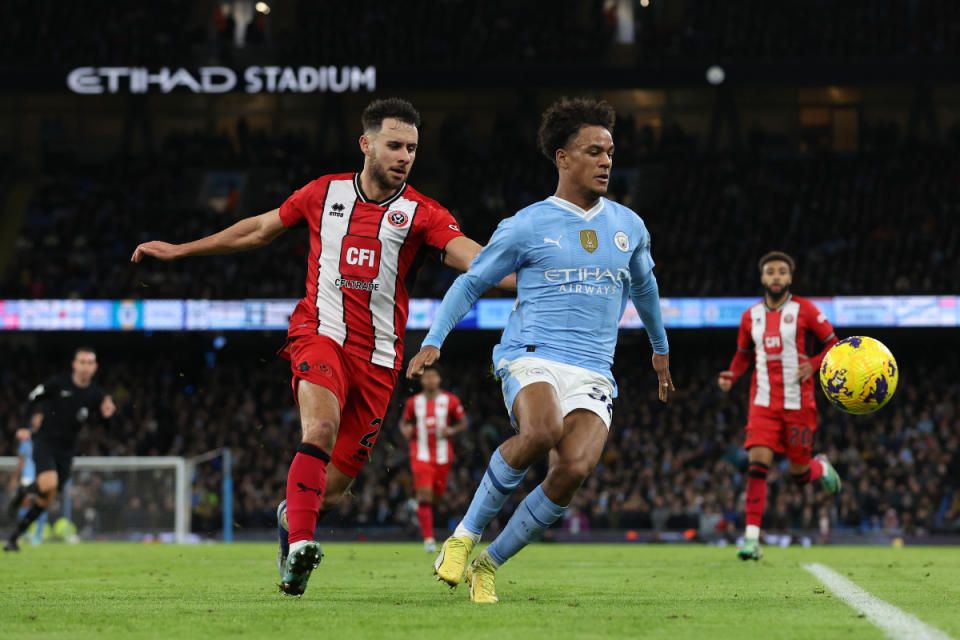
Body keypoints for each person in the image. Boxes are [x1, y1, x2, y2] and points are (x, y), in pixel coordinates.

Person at [132, 98, 510, 597]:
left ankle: (293, 528)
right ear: (366, 144)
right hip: (320, 334)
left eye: (412, 148)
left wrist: (535, 278)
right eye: (394, 145)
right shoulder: (323, 193)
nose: (404, 156)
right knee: (322, 426)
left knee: (329, 493)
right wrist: (183, 249)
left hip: (378, 362)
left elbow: (475, 260)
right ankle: (302, 544)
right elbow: (259, 229)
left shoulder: (423, 213)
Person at [406, 97, 674, 603]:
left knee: (573, 469)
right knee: (543, 430)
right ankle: (463, 538)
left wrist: (660, 351)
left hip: (595, 368)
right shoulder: (527, 224)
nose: (606, 161)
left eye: (610, 152)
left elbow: (646, 290)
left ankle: (488, 564)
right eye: (593, 151)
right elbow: (470, 282)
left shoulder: (629, 227)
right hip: (531, 352)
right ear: (562, 157)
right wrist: (434, 340)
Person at [716, 251, 842, 561]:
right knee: (757, 466)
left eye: (781, 272)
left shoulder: (806, 310)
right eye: (770, 271)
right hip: (762, 404)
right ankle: (751, 540)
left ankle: (819, 466)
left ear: (790, 277)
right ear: (762, 278)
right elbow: (743, 353)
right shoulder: (750, 317)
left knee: (799, 474)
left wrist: (813, 364)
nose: (776, 276)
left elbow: (834, 345)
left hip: (799, 403)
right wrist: (732, 375)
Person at [4, 347, 115, 551]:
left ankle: (13, 538)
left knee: (45, 499)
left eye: (89, 363)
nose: (85, 367)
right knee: (48, 484)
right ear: (74, 364)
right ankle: (22, 494)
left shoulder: (97, 395)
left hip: (67, 450)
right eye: (82, 362)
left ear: (95, 367)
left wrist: (108, 417)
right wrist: (22, 424)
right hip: (45, 442)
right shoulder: (57, 384)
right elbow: (32, 399)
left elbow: (106, 427)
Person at [399, 364, 467, 552]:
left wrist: (452, 430)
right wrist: (405, 430)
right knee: (425, 493)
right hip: (420, 455)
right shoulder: (414, 402)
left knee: (437, 495)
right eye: (426, 377)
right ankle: (428, 540)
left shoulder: (450, 400)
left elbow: (463, 423)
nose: (429, 380)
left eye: (433, 377)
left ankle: (419, 508)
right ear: (421, 380)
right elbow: (404, 422)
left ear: (439, 379)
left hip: (444, 456)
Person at [5, 428, 48, 545]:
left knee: (40, 505)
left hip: (40, 476)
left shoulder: (46, 441)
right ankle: (24, 534)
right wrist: (15, 478)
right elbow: (21, 461)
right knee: (27, 505)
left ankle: (36, 536)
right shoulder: (27, 442)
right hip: (29, 477)